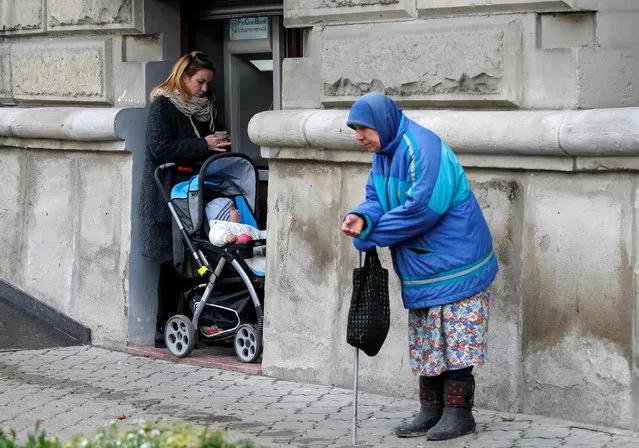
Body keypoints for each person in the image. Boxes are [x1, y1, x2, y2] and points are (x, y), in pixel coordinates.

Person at [341, 93, 498, 441]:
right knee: (429, 338)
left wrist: (372, 232)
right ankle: (431, 410)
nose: (359, 137)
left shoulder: (423, 148)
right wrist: (361, 216)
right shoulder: (382, 156)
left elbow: (422, 209)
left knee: (457, 338)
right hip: (422, 267)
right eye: (355, 129)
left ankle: (459, 414)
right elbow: (375, 198)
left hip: (457, 263)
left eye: (363, 128)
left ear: (383, 123)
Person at [140, 51, 231, 348]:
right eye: (200, 82)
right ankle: (162, 328)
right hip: (168, 195)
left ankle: (197, 322)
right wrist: (203, 144)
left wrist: (215, 146)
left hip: (196, 192)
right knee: (172, 262)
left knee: (198, 259)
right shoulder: (163, 105)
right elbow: (159, 147)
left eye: (207, 83)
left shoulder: (204, 109)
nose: (205, 89)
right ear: (183, 77)